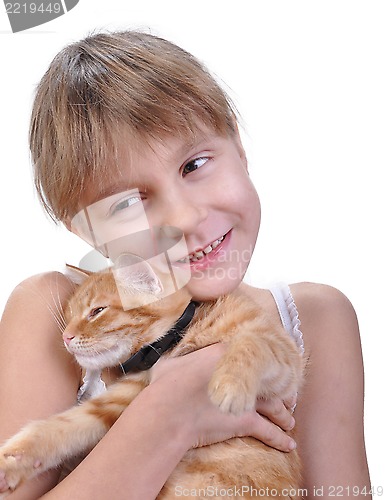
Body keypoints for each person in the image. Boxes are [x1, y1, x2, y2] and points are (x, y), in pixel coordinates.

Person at [0, 30, 370, 499]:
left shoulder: (317, 318)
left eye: (194, 165)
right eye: (128, 202)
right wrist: (167, 416)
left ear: (237, 141)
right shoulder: (55, 309)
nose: (184, 218)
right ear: (85, 232)